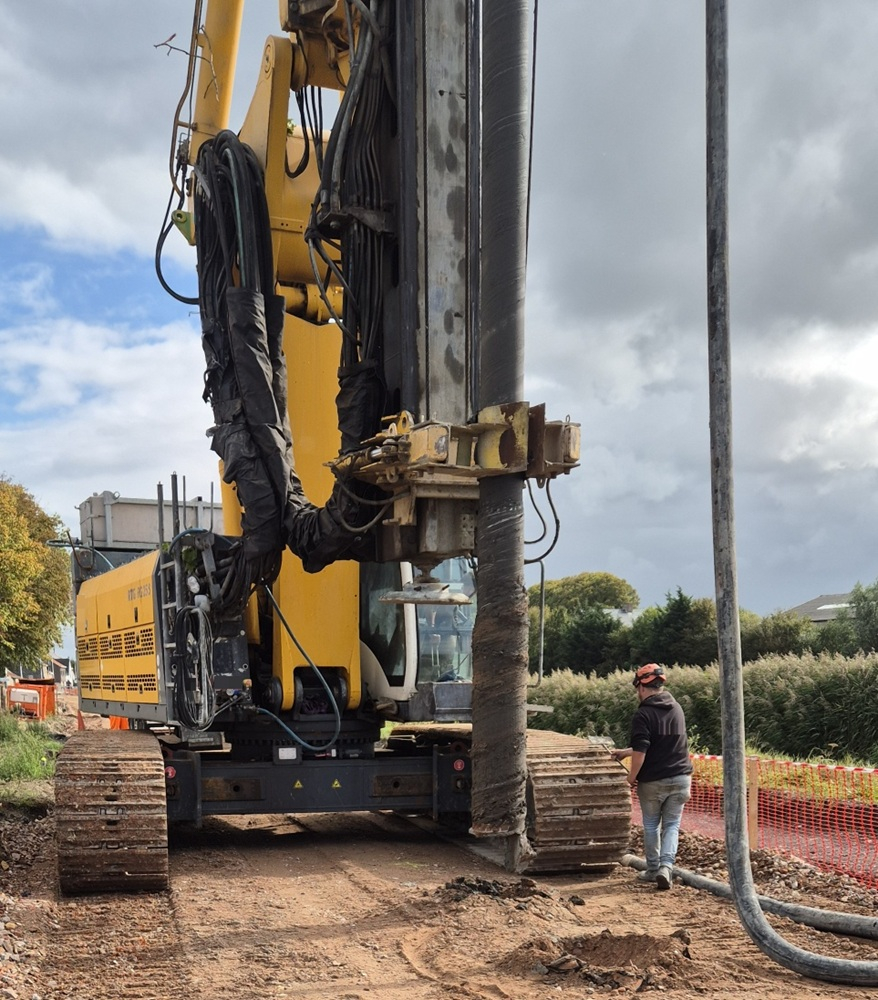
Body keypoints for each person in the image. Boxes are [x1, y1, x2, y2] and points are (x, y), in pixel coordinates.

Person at [611, 663, 692, 890]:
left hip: (654, 781)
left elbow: (642, 752)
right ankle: (667, 867)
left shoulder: (643, 714)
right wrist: (626, 752)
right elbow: (661, 743)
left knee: (651, 825)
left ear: (641, 687)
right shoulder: (676, 708)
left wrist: (630, 778)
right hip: (681, 777)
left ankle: (653, 868)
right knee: (672, 825)